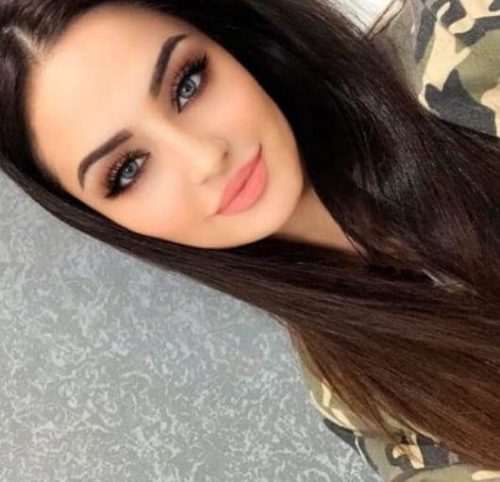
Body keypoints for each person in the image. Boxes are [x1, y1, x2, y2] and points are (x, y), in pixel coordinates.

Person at [0, 0, 499, 480]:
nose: (204, 157)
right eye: (128, 170)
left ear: (231, 40)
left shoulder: (468, 53)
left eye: (187, 84)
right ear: (111, 223)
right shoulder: (357, 399)